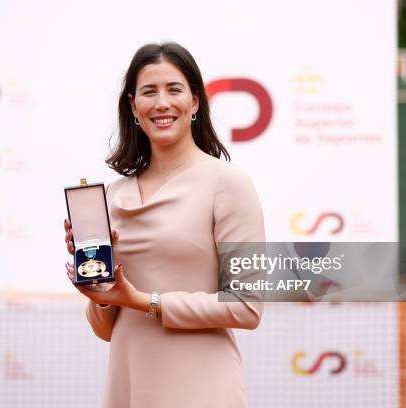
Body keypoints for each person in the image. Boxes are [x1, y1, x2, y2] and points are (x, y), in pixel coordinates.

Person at [64, 42, 265, 408]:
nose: (162, 103)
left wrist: (145, 301)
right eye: (149, 91)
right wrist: (101, 293)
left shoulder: (228, 183)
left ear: (195, 102)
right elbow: (105, 329)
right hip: (128, 382)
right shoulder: (111, 196)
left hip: (203, 386)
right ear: (133, 107)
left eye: (174, 89)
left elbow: (247, 307)